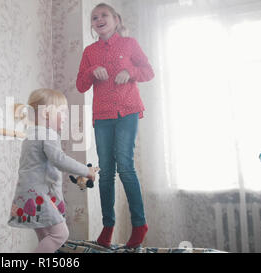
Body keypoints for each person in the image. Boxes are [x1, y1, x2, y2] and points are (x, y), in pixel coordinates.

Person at [76, 3, 155, 248]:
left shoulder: (129, 44)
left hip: (128, 111)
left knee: (125, 165)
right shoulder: (90, 51)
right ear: (92, 24)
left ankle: (139, 224)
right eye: (94, 17)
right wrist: (91, 70)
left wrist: (129, 71)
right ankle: (108, 226)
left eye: (104, 15)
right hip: (102, 116)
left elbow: (148, 71)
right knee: (106, 172)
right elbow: (80, 85)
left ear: (116, 19)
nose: (99, 19)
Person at [8, 88, 99, 253]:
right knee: (60, 234)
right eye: (63, 112)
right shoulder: (47, 134)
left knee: (45, 238)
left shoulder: (32, 134)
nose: (65, 117)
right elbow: (59, 160)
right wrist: (86, 171)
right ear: (47, 114)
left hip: (28, 193)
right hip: (38, 195)